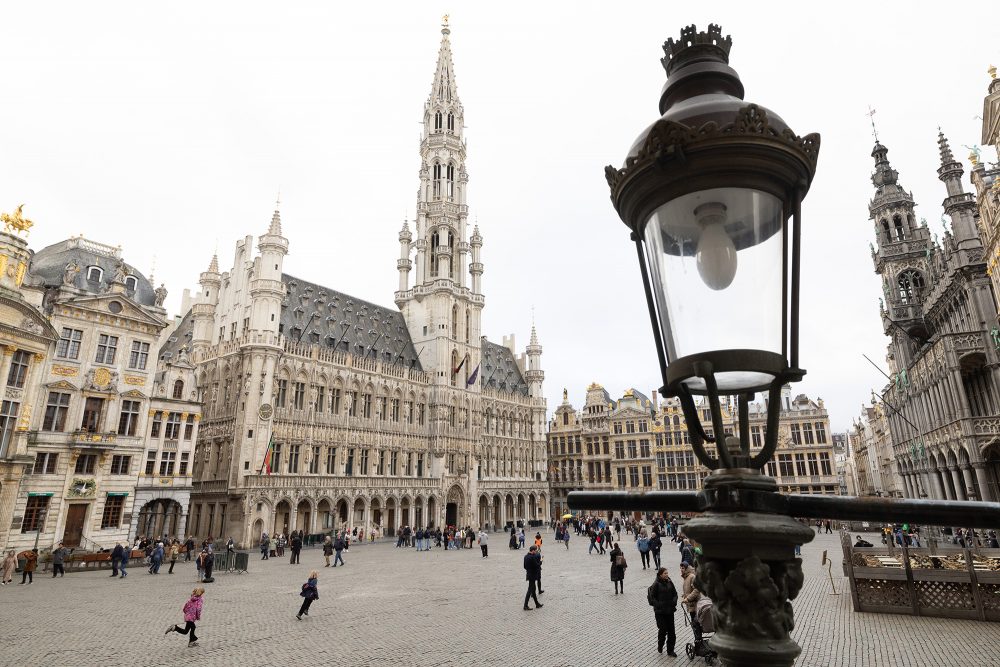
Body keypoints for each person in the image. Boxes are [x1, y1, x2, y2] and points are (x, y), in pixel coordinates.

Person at [648, 567, 679, 656]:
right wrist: (658, 605)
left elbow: (675, 594)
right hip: (660, 612)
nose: (667, 575)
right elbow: (652, 597)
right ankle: (660, 645)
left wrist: (674, 601)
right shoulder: (656, 584)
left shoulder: (670, 582)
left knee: (671, 631)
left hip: (670, 611)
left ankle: (670, 650)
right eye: (665, 573)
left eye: (667, 573)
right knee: (663, 630)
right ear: (660, 574)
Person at [679, 561, 700, 631]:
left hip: (694, 604)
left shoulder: (692, 577)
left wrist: (688, 598)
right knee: (694, 623)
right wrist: (685, 594)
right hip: (691, 604)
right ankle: (697, 638)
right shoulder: (686, 577)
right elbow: (690, 589)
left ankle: (698, 638)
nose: (681, 569)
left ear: (687, 569)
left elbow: (696, 589)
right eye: (681, 568)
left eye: (683, 568)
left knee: (696, 623)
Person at [522, 545, 543, 610]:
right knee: (529, 591)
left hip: (528, 574)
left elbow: (524, 566)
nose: (536, 551)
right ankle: (525, 606)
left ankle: (537, 604)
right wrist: (541, 561)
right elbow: (537, 565)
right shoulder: (532, 557)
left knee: (533, 590)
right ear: (533, 550)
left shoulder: (525, 556)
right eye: (535, 550)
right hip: (533, 575)